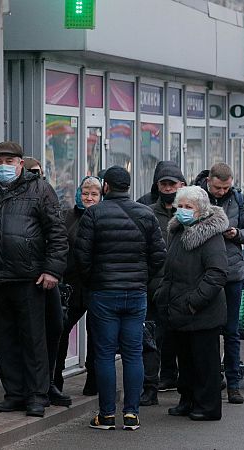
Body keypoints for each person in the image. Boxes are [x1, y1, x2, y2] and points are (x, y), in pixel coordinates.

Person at [0, 141, 68, 417]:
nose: (3, 166)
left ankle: (37, 395)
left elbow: (57, 234)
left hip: (30, 278)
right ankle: (14, 393)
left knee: (33, 339)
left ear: (20, 163)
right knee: (4, 339)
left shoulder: (40, 190)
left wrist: (52, 270)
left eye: (9, 161)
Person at [75, 166, 166, 431]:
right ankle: (131, 414)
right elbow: (159, 255)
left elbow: (82, 257)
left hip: (103, 294)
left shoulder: (94, 214)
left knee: (103, 355)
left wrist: (95, 281)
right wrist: (141, 279)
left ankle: (105, 415)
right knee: (133, 353)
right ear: (127, 186)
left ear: (105, 187)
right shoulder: (146, 214)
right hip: (136, 294)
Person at [156, 186, 229, 421]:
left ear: (201, 211)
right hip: (178, 309)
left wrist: (193, 302)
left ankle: (207, 406)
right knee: (185, 360)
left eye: (189, 207)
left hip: (201, 311)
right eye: (181, 206)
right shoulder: (178, 231)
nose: (183, 211)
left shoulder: (211, 236)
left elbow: (217, 273)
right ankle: (187, 400)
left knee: (204, 363)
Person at [196, 163, 244, 405]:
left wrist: (237, 234)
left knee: (231, 331)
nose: (222, 191)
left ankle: (233, 383)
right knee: (207, 331)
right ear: (209, 181)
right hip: (204, 271)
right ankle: (211, 380)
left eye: (226, 187)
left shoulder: (238, 199)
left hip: (232, 272)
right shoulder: (197, 196)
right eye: (218, 187)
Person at [141, 161, 185, 406]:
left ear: (182, 185)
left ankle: (181, 384)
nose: (168, 188)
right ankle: (151, 387)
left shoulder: (189, 210)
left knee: (180, 339)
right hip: (154, 285)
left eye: (172, 184)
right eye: (164, 183)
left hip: (182, 287)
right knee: (152, 339)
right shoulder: (146, 211)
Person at [54, 176, 103, 398]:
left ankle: (93, 381)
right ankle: (56, 379)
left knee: (97, 335)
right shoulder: (68, 217)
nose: (89, 198)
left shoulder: (104, 217)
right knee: (61, 331)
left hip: (96, 286)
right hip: (71, 286)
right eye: (85, 193)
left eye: (94, 194)